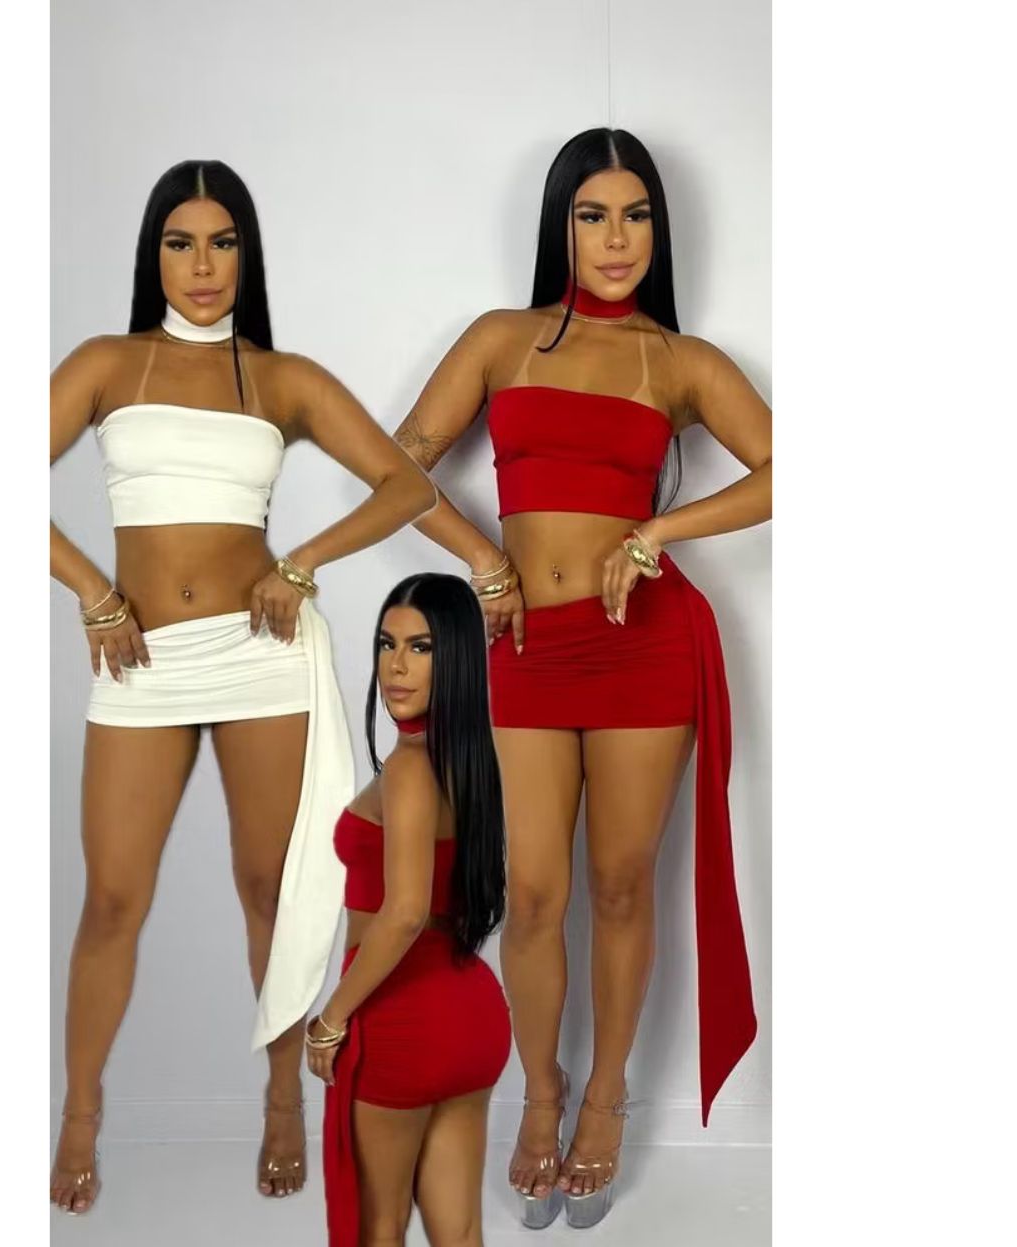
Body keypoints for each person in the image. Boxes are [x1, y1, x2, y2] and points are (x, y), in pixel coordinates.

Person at [392, 127, 769, 1228]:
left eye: (636, 215)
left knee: (619, 884)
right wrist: (482, 558)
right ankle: (541, 1092)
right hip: (524, 647)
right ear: (560, 224)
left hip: (642, 645)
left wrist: (658, 531)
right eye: (593, 215)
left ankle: (606, 1096)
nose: (617, 238)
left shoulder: (678, 360)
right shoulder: (501, 339)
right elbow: (394, 463)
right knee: (533, 894)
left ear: (659, 228)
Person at [48, 159, 437, 1212]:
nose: (203, 264)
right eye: (181, 243)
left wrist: (301, 561)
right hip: (140, 659)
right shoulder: (107, 363)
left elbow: (407, 483)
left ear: (246, 254)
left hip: (260, 653)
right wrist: (93, 590)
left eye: (223, 242)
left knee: (269, 888)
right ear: (154, 255)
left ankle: (279, 1100)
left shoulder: (279, 378)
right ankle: (80, 1112)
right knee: (113, 898)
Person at [307, 574, 511, 1247]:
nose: (395, 665)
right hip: (472, 1015)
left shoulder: (410, 769)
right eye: (386, 643)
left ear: (455, 657)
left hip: (401, 1018)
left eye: (420, 647)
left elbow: (404, 912)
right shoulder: (469, 760)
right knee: (461, 1232)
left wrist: (331, 1021)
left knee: (378, 1227)